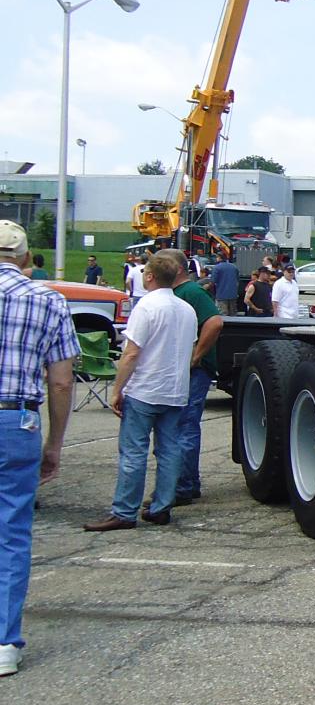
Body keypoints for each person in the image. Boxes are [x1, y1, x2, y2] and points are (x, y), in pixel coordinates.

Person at [0, 220, 79, 676]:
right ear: (26, 257)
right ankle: (4, 642)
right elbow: (61, 380)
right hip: (16, 418)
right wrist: (55, 444)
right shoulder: (48, 300)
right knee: (11, 531)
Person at [83, 249, 197, 532]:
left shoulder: (146, 307)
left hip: (145, 388)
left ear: (150, 277)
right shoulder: (187, 310)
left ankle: (124, 511)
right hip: (175, 389)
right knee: (169, 450)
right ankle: (162, 506)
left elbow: (132, 353)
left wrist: (117, 389)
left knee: (134, 451)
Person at [172, 258, 223, 510]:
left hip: (196, 371)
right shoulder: (177, 293)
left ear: (178, 268)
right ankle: (189, 483)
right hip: (185, 370)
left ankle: (182, 487)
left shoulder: (191, 292)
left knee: (185, 425)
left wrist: (196, 356)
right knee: (184, 424)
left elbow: (215, 322)